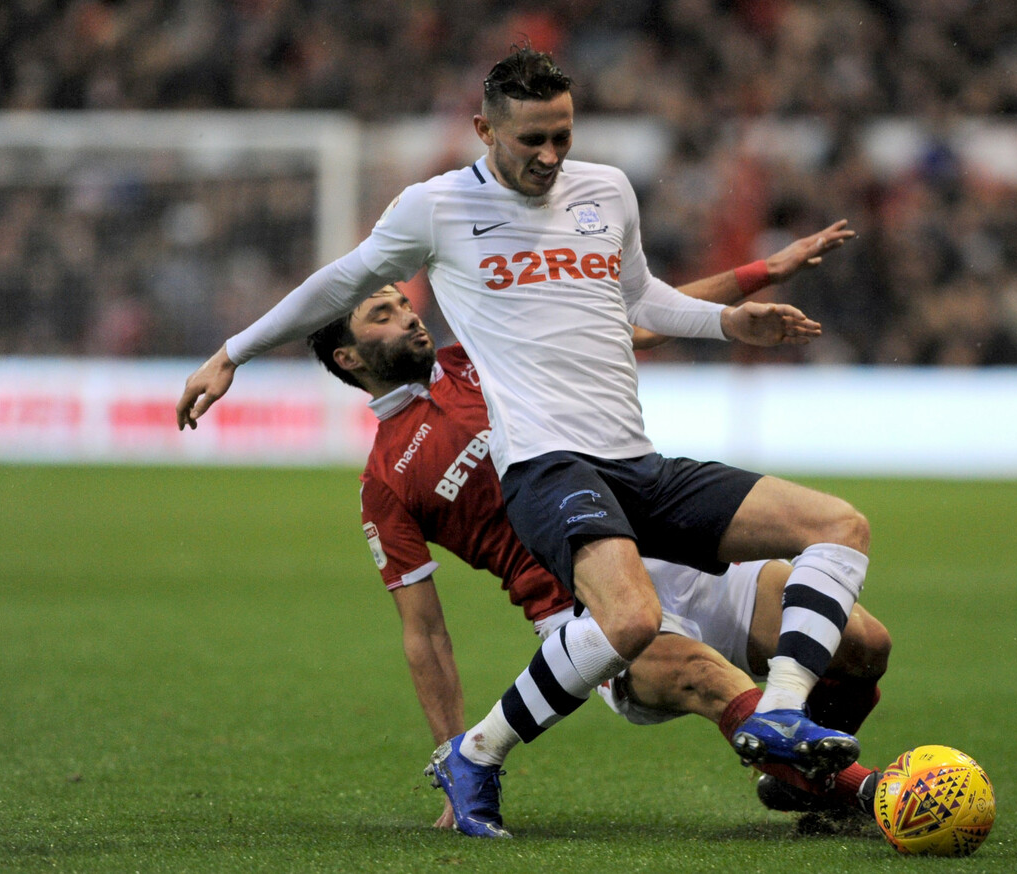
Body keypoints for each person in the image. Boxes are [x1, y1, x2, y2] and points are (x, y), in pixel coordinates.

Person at [177, 46, 874, 838]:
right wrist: (232, 352)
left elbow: (635, 308)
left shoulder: (570, 235)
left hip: (634, 472)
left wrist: (740, 302)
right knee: (644, 629)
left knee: (851, 578)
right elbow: (424, 627)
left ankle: (788, 724)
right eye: (530, 141)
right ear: (483, 130)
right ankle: (863, 793)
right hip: (551, 480)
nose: (549, 156)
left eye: (562, 138)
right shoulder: (431, 239)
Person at [306, 278, 889, 831]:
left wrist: (754, 280)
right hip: (582, 613)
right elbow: (425, 633)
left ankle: (802, 780)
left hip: (666, 552)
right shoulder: (386, 482)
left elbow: (629, 321)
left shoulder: (487, 353)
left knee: (864, 646)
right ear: (349, 359)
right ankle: (879, 797)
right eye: (381, 315)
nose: (407, 314)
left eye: (401, 302)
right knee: (707, 678)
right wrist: (448, 750)